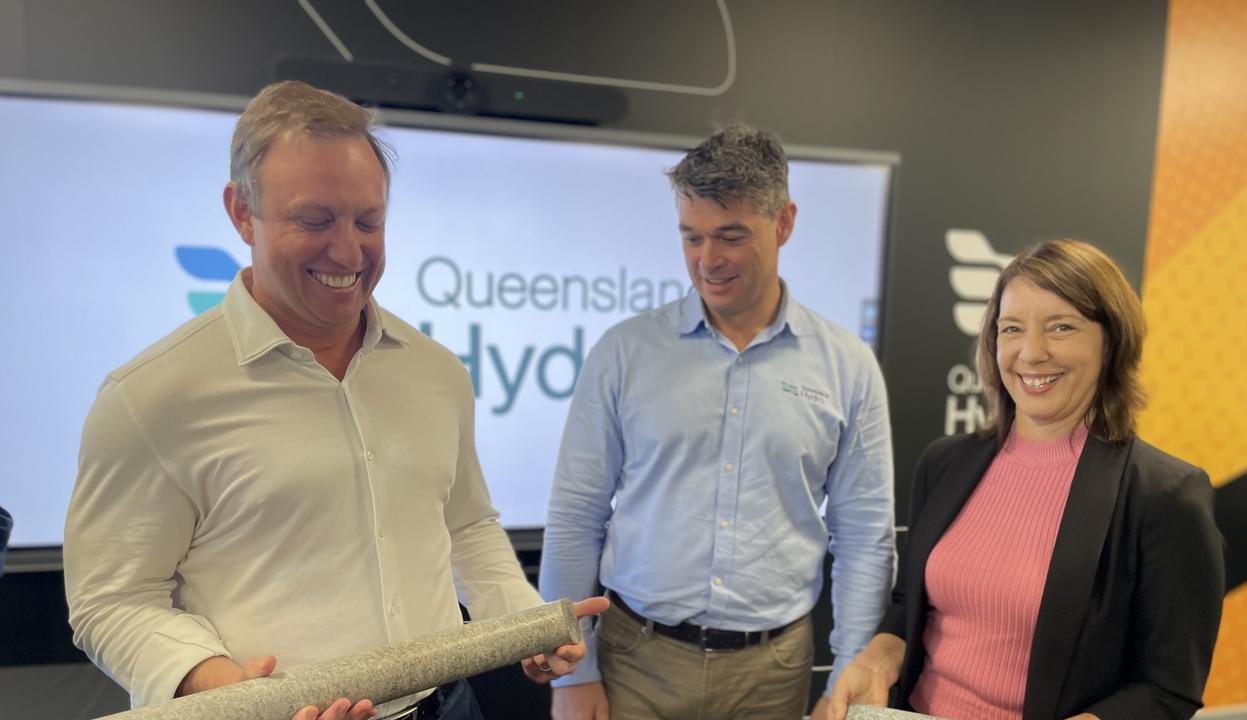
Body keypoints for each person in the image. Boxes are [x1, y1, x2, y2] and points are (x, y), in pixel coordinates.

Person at [64, 81, 605, 720]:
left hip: (448, 707)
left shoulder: (435, 373)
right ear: (242, 213)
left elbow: (464, 525)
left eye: (367, 221)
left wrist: (524, 623)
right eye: (315, 220)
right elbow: (112, 598)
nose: (348, 251)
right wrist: (215, 683)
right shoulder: (151, 396)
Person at [539, 125, 896, 720]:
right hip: (635, 660)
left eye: (732, 236)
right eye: (691, 237)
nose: (708, 260)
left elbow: (864, 536)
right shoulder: (624, 352)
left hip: (772, 673)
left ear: (784, 222)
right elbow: (577, 514)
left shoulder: (847, 366)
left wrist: (849, 673)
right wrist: (572, 673)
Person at [828, 239, 1225, 720]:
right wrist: (875, 660)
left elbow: (1168, 690)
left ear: (1112, 341)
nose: (1031, 353)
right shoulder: (944, 463)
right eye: (1011, 328)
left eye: (1062, 327)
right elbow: (908, 604)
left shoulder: (1164, 496)